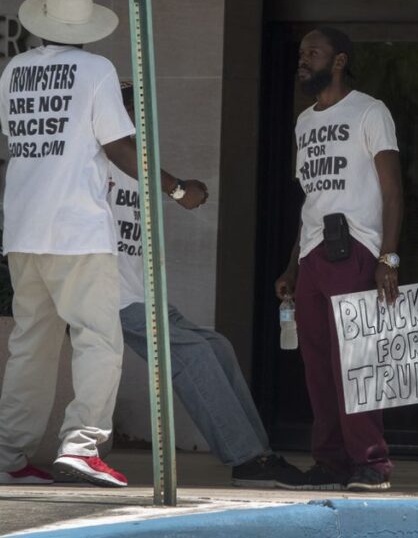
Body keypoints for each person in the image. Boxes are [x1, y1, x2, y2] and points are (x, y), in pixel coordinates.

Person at [0, 0, 207, 488]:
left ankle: (6, 455)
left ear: (43, 23)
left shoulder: (15, 71)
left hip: (23, 230)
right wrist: (177, 190)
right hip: (77, 229)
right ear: (85, 26)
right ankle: (83, 446)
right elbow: (120, 147)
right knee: (98, 341)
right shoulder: (94, 69)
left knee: (31, 345)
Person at [110, 84, 303, 488]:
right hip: (112, 294)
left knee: (217, 345)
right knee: (193, 354)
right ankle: (248, 457)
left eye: (136, 108)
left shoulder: (136, 160)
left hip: (142, 292)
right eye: (126, 107)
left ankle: (257, 453)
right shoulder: (104, 154)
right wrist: (179, 189)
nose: (134, 115)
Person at [274, 26, 403, 491]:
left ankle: (372, 461)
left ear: (340, 60)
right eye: (302, 52)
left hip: (357, 249)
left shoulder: (370, 111)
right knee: (317, 365)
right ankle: (330, 462)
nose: (304, 60)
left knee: (357, 359)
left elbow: (392, 189)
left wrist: (388, 255)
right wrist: (292, 266)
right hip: (312, 254)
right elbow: (313, 199)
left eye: (314, 52)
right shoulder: (304, 121)